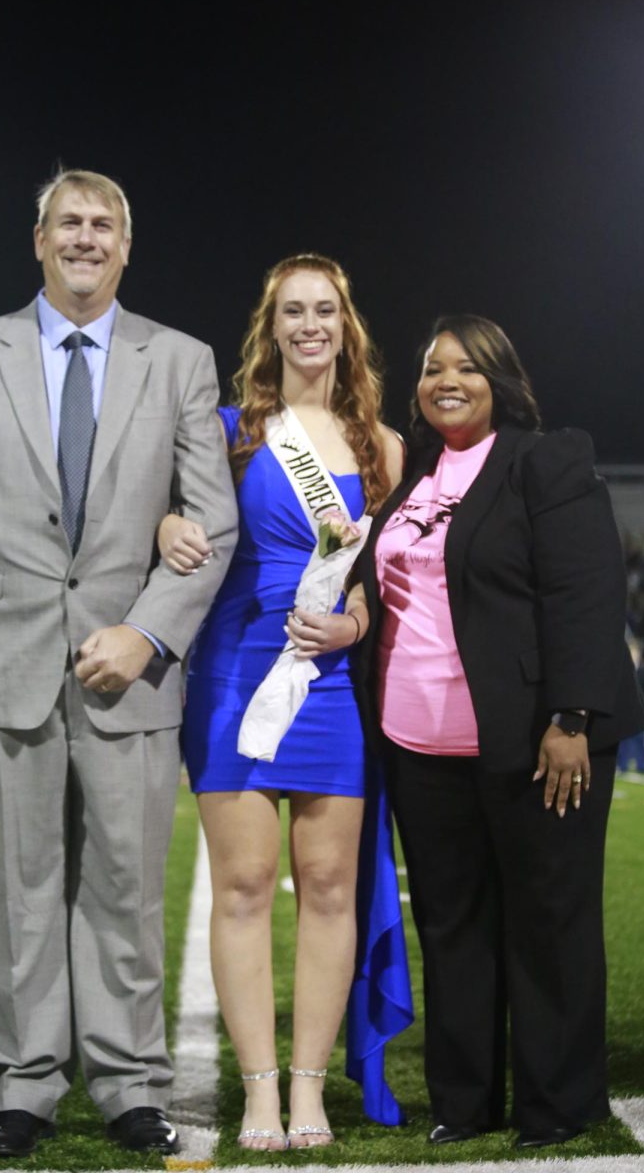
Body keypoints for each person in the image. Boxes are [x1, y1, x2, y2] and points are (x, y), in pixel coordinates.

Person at [0, 169, 238, 1158]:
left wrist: (147, 631)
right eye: (68, 223)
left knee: (127, 890)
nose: (85, 238)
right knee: (18, 890)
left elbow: (210, 522)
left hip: (130, 672)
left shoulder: (179, 359)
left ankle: (131, 1082)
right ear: (37, 239)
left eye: (103, 225)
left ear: (126, 248)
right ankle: (25, 1082)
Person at [354, 314, 644, 1150]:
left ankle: (557, 1103)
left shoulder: (543, 460)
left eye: (467, 367)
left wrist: (573, 718)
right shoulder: (410, 480)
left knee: (549, 923)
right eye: (432, 367)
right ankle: (465, 1099)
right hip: (419, 748)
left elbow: (588, 593)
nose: (446, 379)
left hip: (532, 741)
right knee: (452, 925)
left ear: (500, 379)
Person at [158, 254, 412, 1150]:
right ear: (271, 328)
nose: (310, 325)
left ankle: (308, 1090)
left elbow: (379, 589)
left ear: (347, 327)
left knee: (332, 887)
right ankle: (259, 1091)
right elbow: (168, 515)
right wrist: (166, 524)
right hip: (235, 678)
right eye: (293, 312)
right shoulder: (230, 430)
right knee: (243, 885)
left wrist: (351, 627)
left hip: (330, 689)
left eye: (326, 311)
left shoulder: (385, 448)